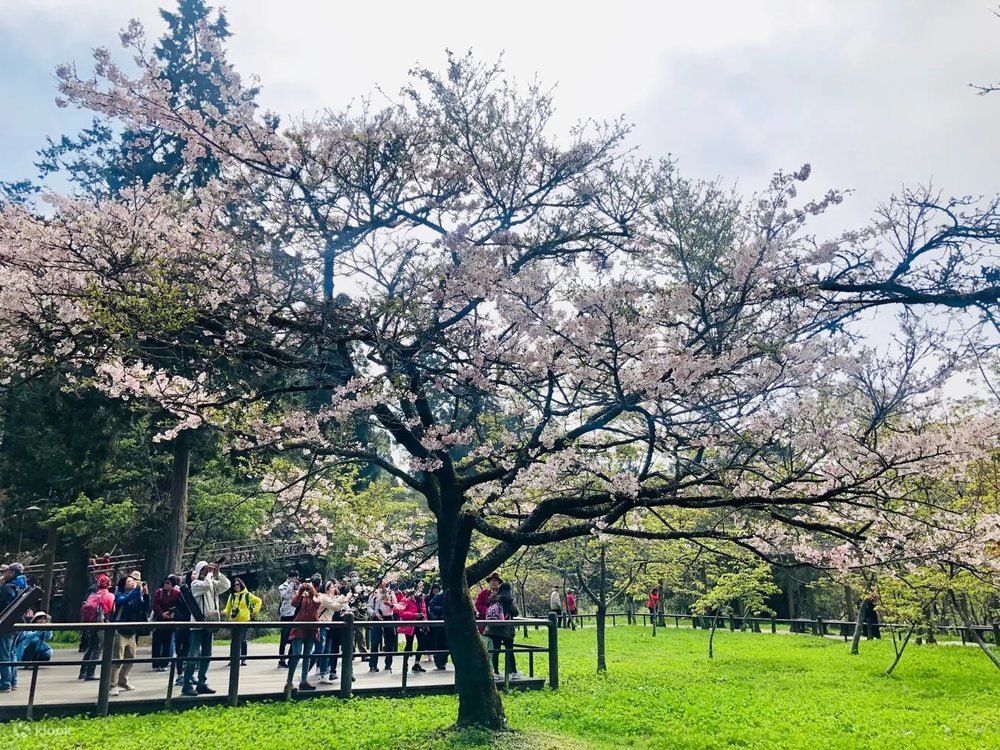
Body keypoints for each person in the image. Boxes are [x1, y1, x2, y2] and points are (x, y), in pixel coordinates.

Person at [181, 560, 230, 697]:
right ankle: (187, 683)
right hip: (198, 624)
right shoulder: (196, 584)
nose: (206, 571)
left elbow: (226, 585)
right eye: (204, 569)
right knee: (194, 654)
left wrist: (217, 573)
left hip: (210, 622)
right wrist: (209, 574)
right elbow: (206, 585)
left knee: (207, 655)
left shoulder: (211, 582)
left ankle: (202, 682)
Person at [109, 571, 151, 696]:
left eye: (133, 581)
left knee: (130, 659)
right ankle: (112, 685)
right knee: (117, 660)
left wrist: (146, 595)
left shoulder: (136, 595)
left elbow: (144, 607)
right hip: (120, 631)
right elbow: (124, 600)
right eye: (129, 582)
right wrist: (137, 591)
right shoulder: (119, 595)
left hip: (132, 632)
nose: (133, 583)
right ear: (123, 585)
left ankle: (123, 680)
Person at [79, 574, 115, 680]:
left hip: (91, 623)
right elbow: (111, 610)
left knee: (90, 647)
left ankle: (82, 672)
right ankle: (91, 673)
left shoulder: (93, 595)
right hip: (101, 623)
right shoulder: (110, 596)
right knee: (98, 648)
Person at [287, 580, 320, 691]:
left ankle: (304, 680)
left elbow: (317, 603)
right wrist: (300, 591)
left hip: (311, 628)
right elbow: (294, 603)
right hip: (299, 628)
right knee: (296, 654)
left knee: (307, 655)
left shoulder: (316, 597)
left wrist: (312, 591)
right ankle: (289, 682)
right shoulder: (301, 596)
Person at [485, 581, 522, 679]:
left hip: (493, 629)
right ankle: (513, 671)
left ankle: (495, 672)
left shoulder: (493, 599)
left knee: (495, 650)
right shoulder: (508, 600)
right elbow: (515, 612)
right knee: (509, 650)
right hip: (506, 630)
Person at [223, 577, 261, 667]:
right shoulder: (231, 596)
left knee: (243, 640)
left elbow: (258, 601)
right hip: (234, 621)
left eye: (238, 584)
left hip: (244, 620)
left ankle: (243, 658)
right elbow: (228, 608)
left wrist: (254, 612)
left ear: (241, 585)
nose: (236, 586)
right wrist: (223, 612)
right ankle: (232, 658)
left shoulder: (247, 595)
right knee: (233, 641)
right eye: (234, 585)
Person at [367, 579, 398, 673]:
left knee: (390, 642)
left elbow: (396, 605)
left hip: (388, 617)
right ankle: (373, 665)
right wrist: (374, 613)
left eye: (382, 581)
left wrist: (390, 604)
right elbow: (369, 606)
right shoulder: (374, 593)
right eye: (379, 582)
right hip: (377, 617)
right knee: (375, 642)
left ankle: (388, 664)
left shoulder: (390, 593)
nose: (381, 584)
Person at [152, 575, 181, 671]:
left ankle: (164, 663)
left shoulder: (177, 593)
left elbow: (178, 604)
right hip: (160, 619)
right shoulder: (159, 592)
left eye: (168, 583)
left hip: (170, 619)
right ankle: (156, 663)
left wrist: (171, 612)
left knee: (167, 642)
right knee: (157, 641)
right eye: (165, 583)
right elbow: (155, 605)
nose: (166, 585)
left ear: (172, 584)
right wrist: (161, 614)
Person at [398, 587, 427, 673]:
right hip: (410, 624)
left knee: (421, 644)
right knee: (409, 644)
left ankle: (417, 664)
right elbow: (400, 611)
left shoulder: (421, 598)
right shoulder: (406, 598)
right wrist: (414, 615)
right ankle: (405, 664)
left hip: (420, 624)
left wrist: (425, 622)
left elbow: (424, 611)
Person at [0, 567, 20, 692]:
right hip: (17, 623)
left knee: (4, 655)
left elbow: (2, 603)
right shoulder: (20, 584)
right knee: (12, 653)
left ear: (12, 572)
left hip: (7, 624)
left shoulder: (8, 587)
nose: (3, 574)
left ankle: (6, 683)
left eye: (5, 571)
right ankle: (13, 681)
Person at [277, 570, 299, 668]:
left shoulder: (297, 587)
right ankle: (281, 660)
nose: (294, 580)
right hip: (286, 614)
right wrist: (290, 586)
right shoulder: (282, 586)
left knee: (294, 637)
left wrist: (298, 588)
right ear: (288, 577)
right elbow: (284, 596)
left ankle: (291, 659)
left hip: (296, 613)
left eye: (295, 578)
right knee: (284, 638)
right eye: (292, 578)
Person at [426, 583, 447, 670]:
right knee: (440, 643)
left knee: (447, 644)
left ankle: (443, 660)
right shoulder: (439, 595)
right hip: (440, 623)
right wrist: (443, 609)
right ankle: (439, 661)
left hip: (450, 623)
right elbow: (431, 606)